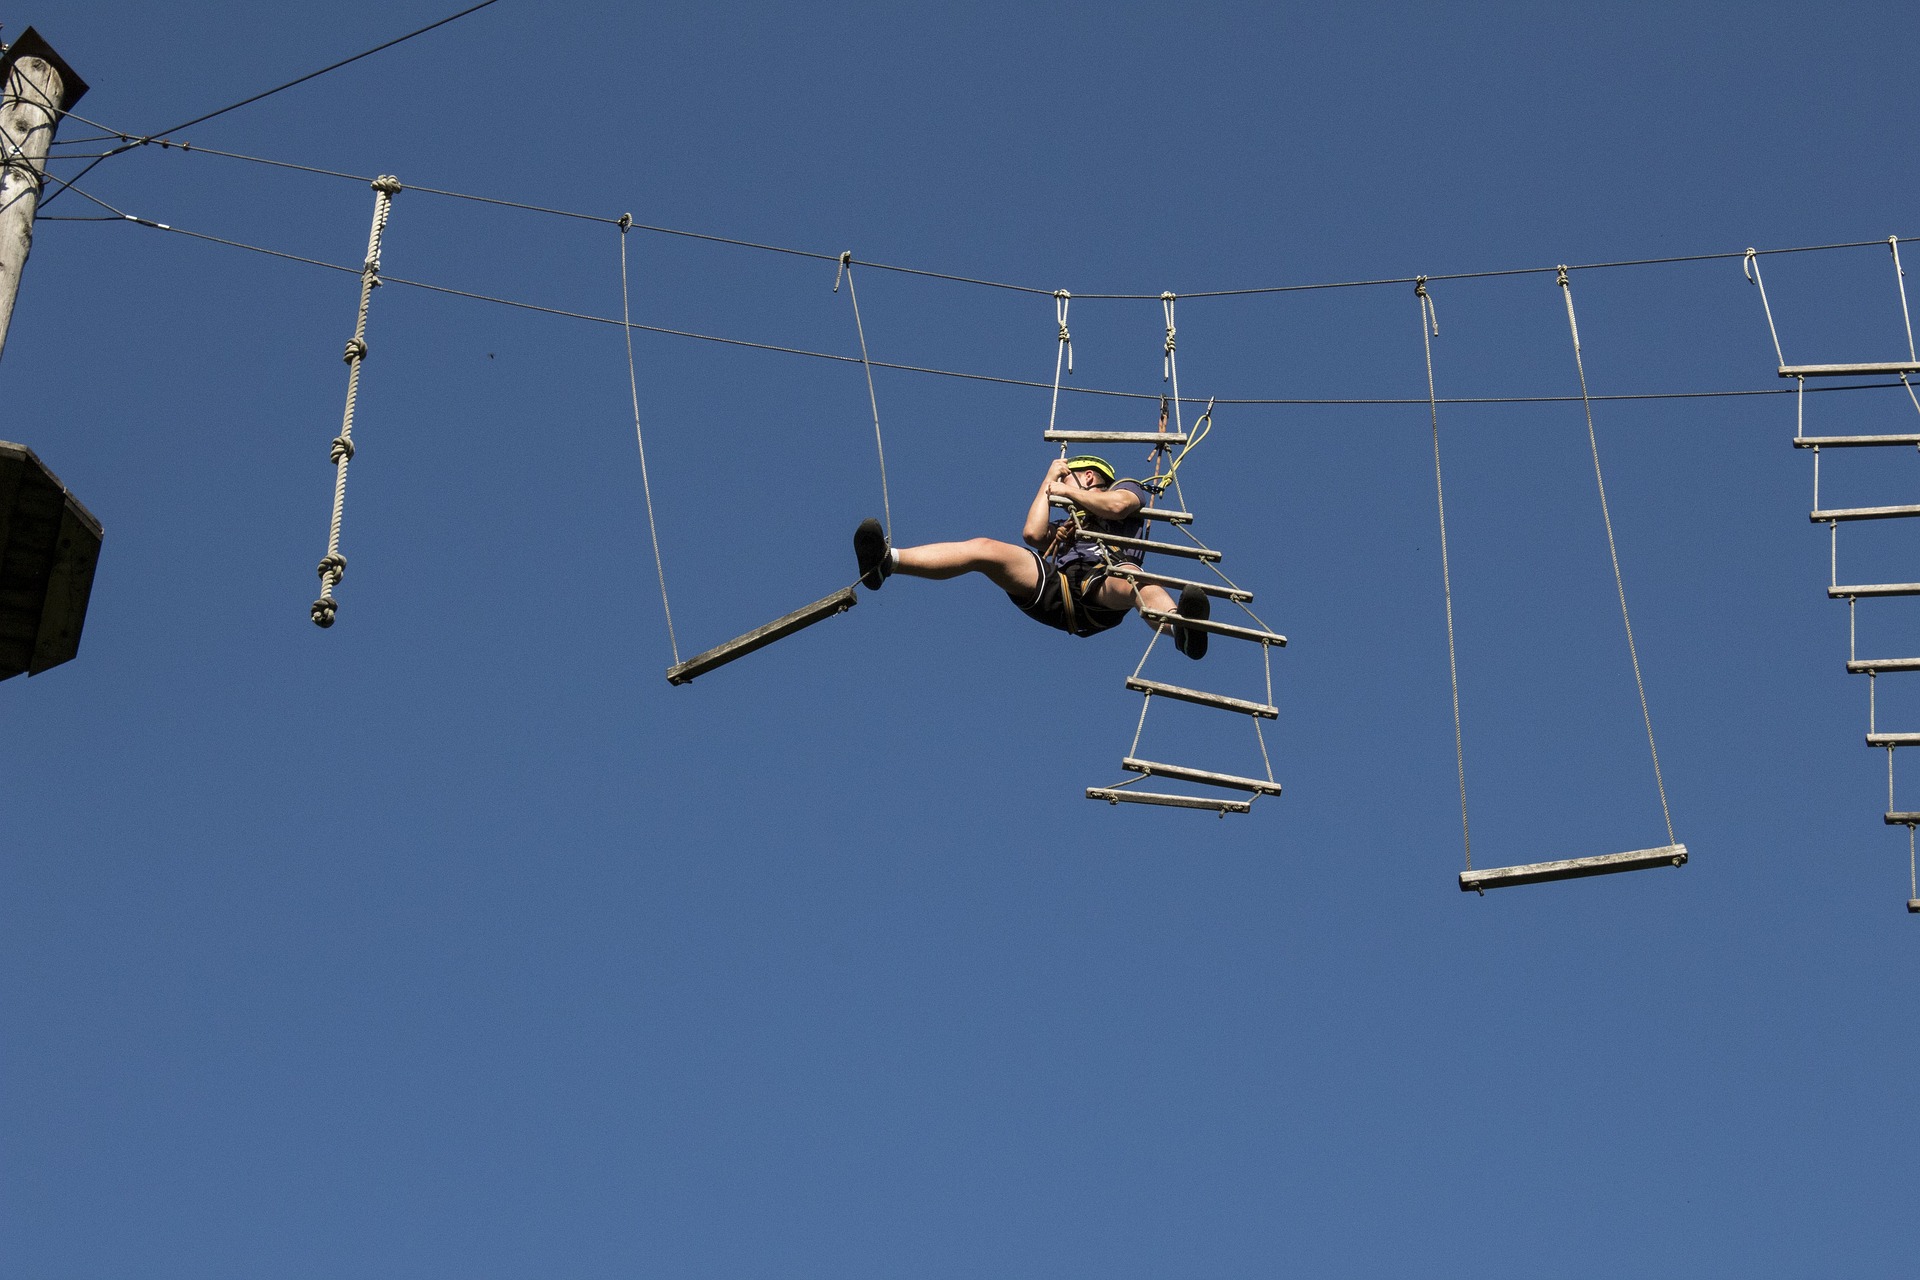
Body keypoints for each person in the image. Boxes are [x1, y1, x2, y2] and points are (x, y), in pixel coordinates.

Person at [853, 454, 1209, 658]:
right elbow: (1033, 534)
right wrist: (1048, 481)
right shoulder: (1069, 525)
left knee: (1133, 577)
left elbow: (1116, 507)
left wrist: (1064, 488)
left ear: (1088, 476)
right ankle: (887, 562)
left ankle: (1180, 627)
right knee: (985, 549)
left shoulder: (1124, 489)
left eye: (1070, 480)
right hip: (1060, 589)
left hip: (1101, 585)